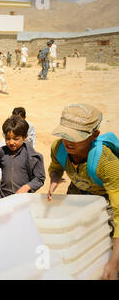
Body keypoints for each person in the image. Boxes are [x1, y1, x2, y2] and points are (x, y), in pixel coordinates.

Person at [47, 104, 118, 280]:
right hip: (79, 191)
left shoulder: (106, 163)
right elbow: (55, 167)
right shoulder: (59, 148)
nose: (67, 141)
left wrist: (113, 263)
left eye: (75, 136)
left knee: (106, 241)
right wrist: (55, 178)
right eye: (65, 134)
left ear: (94, 135)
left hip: (107, 197)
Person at [0, 115, 45, 200]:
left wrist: (26, 187)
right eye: (8, 139)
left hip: (23, 200)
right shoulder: (2, 152)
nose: (11, 142)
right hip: (2, 197)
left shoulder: (32, 156)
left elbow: (39, 178)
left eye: (16, 139)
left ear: (25, 137)